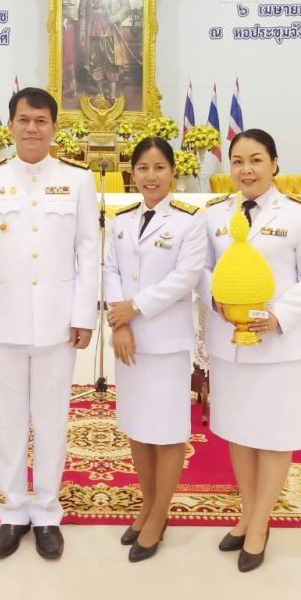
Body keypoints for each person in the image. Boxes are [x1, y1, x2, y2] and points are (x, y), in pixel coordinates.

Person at [0, 87, 98, 561]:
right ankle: (13, 511)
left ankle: (46, 513)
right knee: (8, 422)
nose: (32, 128)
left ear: (55, 127)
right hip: (1, 323)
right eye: (24, 119)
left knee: (52, 419)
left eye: (41, 121)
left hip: (58, 324)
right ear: (11, 125)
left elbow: (88, 252)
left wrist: (83, 315)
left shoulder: (78, 180)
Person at [198, 129, 301, 572]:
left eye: (256, 160)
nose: (246, 169)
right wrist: (214, 298)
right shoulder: (215, 214)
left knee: (273, 434)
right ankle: (247, 513)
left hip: (278, 346)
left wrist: (278, 316)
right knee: (239, 431)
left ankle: (260, 524)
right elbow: (203, 268)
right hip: (231, 344)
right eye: (237, 161)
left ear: (274, 163)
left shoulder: (299, 216)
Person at [104, 137, 207, 562]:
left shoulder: (189, 222)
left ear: (173, 172)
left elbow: (185, 278)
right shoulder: (121, 220)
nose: (150, 176)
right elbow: (111, 270)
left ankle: (159, 514)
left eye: (159, 167)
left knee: (167, 432)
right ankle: (148, 506)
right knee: (137, 426)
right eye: (143, 168)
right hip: (128, 341)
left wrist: (134, 308)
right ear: (132, 173)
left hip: (165, 342)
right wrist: (120, 321)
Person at [78, 0, 132, 101]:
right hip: (93, 30)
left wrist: (116, 17)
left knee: (112, 61)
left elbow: (126, 7)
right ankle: (100, 93)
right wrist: (82, 30)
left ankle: (112, 94)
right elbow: (82, 11)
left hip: (111, 31)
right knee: (95, 61)